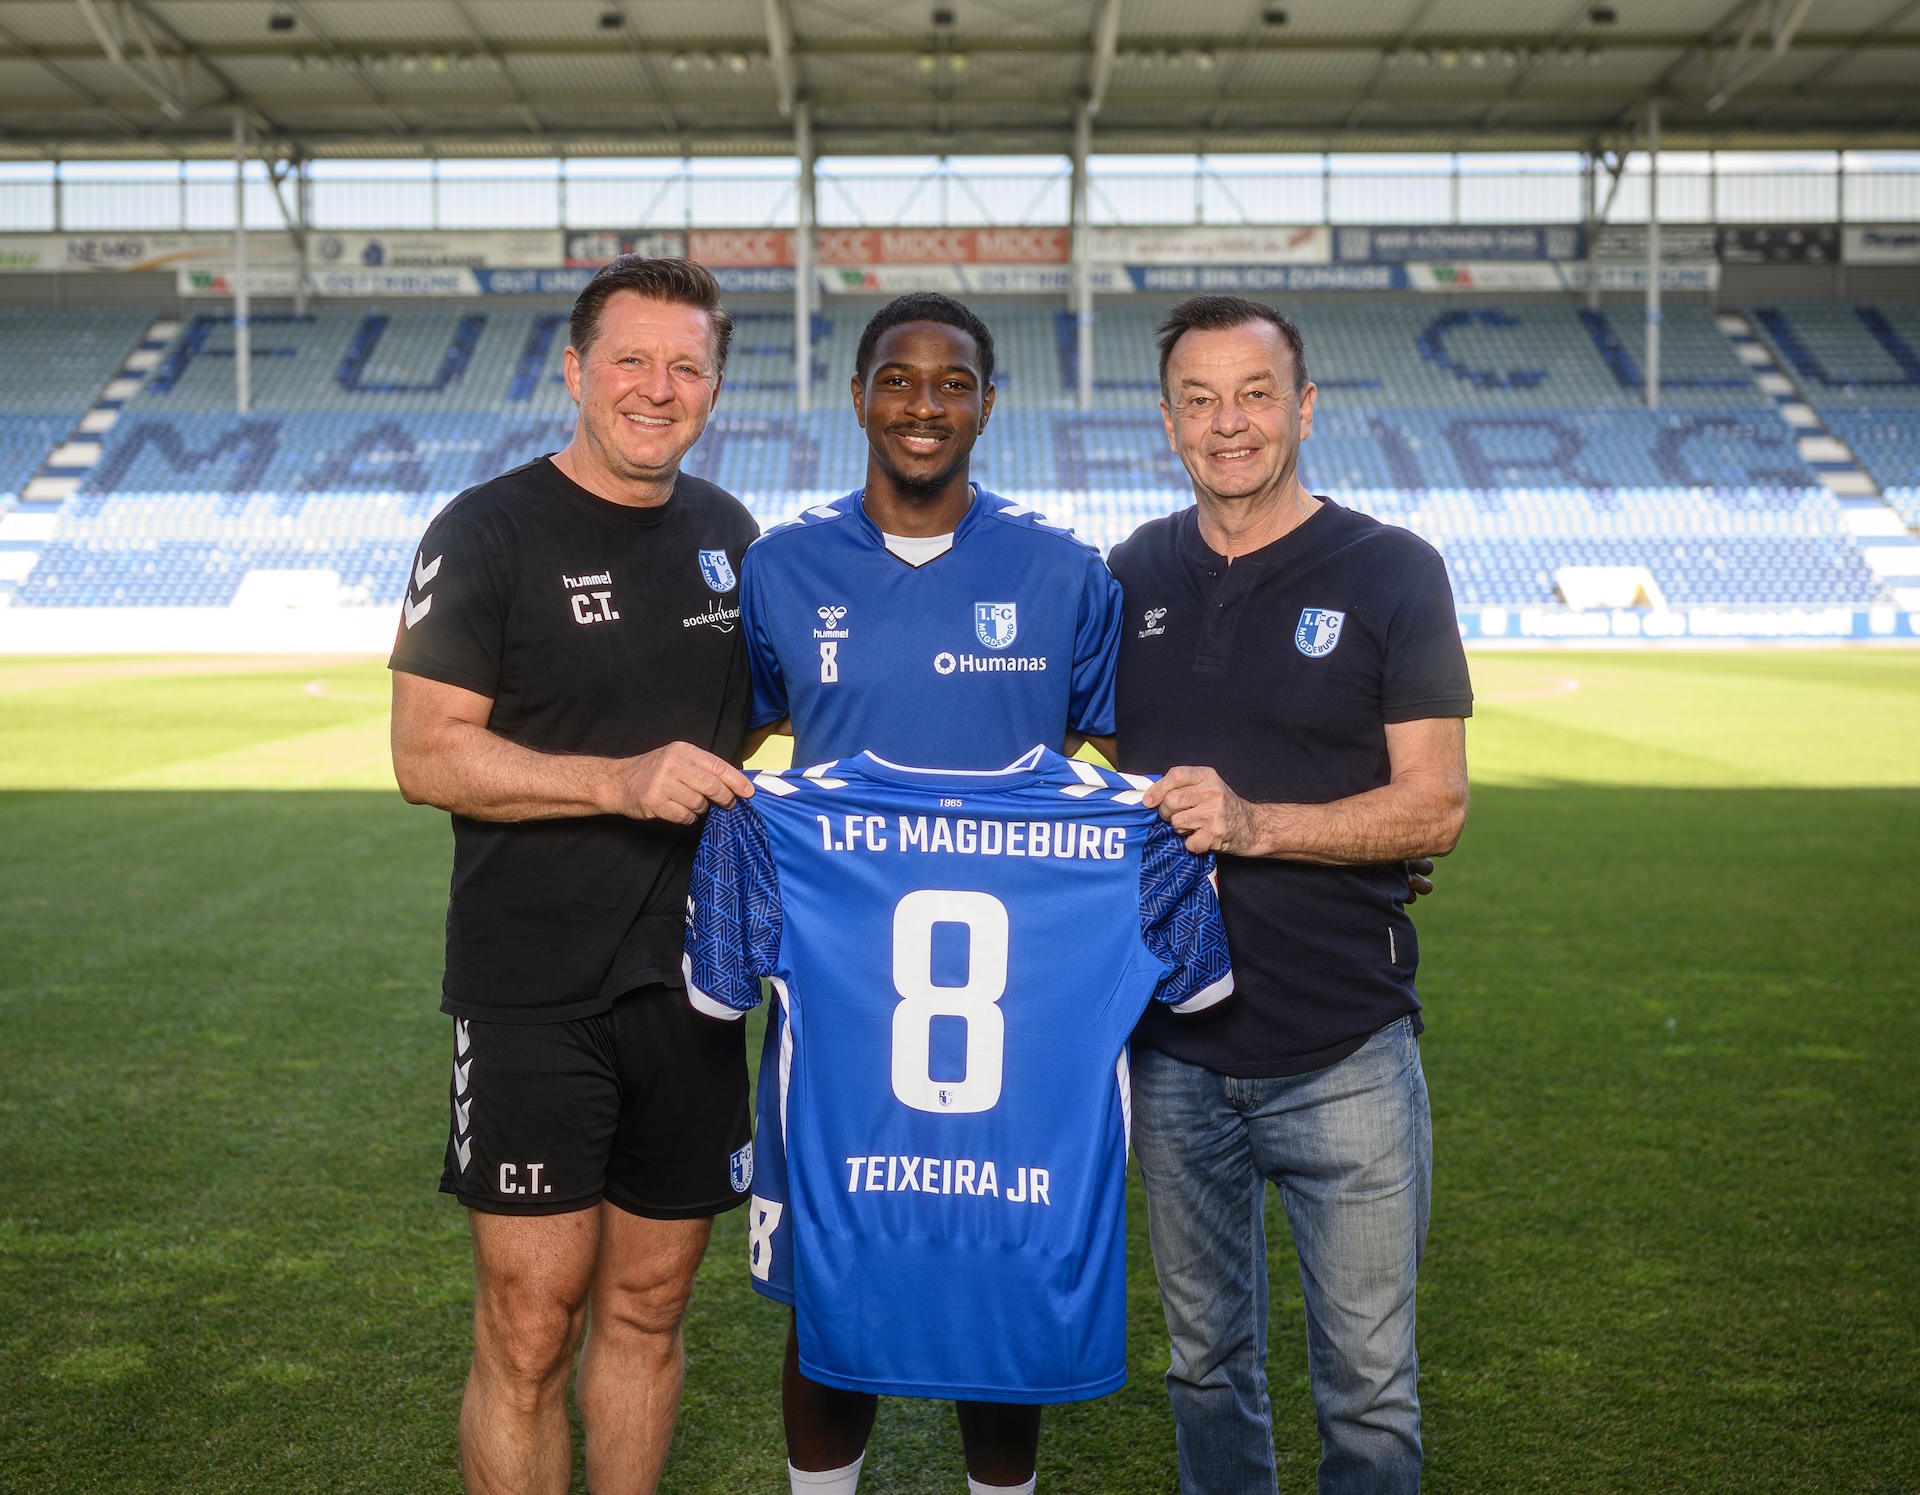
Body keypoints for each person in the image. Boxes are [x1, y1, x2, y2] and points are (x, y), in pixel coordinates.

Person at [736, 292, 1123, 1495]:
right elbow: (725, 744)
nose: (923, 404)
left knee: (998, 1270)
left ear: (988, 406)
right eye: (898, 380)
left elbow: (1138, 768)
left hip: (1014, 1008)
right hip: (837, 995)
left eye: (952, 382)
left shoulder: (1063, 573)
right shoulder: (782, 566)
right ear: (857, 398)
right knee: (830, 1278)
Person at [388, 256, 759, 1495]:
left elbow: (759, 727)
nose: (658, 389)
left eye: (686, 365)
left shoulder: (727, 532)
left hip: (695, 988)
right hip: (533, 987)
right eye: (632, 362)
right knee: (532, 1328)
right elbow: (426, 753)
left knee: (651, 1306)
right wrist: (618, 780)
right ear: (576, 370)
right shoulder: (486, 529)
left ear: (715, 381)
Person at [1107, 295, 1473, 1495]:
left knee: (1368, 1389)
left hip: (1344, 1047)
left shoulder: (1392, 570)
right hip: (1173, 1051)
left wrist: (1263, 826)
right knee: (1205, 1366)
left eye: (1256, 394)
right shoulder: (1128, 575)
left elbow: (1436, 808)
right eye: (1201, 399)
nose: (1230, 423)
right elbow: (1052, 767)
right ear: (1167, 422)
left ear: (1303, 407)